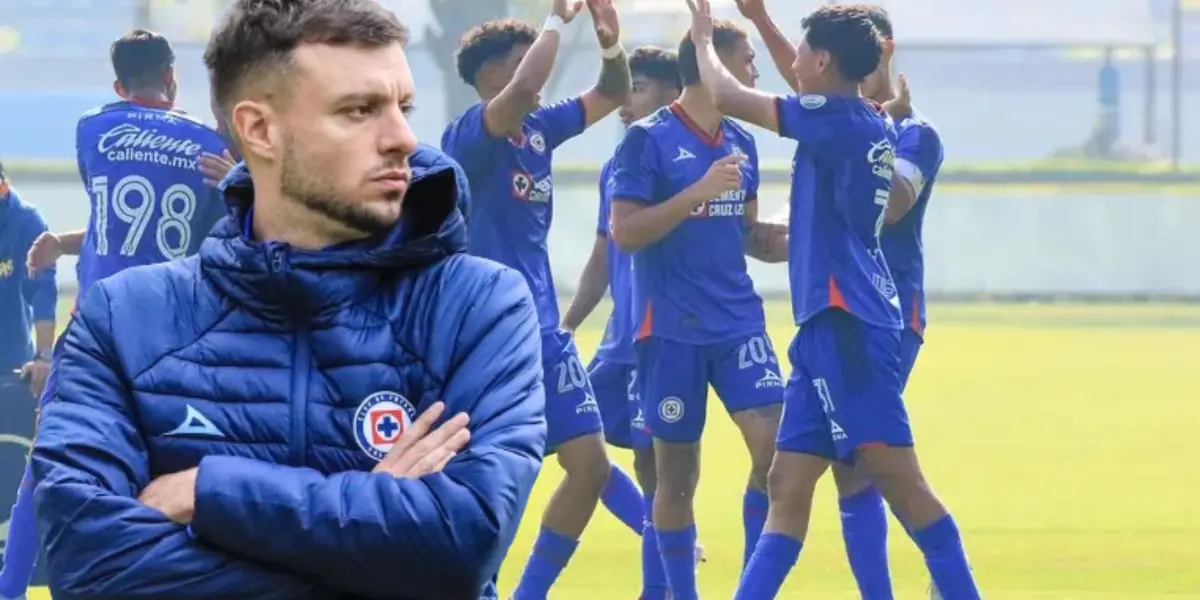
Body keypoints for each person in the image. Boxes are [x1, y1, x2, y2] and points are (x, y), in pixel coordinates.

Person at [30, 2, 546, 599]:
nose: (403, 138)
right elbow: (89, 566)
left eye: (402, 107)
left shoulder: (478, 305)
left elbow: (463, 543)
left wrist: (209, 492)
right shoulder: (123, 321)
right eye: (359, 110)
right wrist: (379, 536)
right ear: (258, 130)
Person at [684, 1, 981, 598]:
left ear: (823, 59)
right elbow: (802, 84)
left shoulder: (842, 119)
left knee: (898, 481)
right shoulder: (858, 117)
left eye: (803, 54)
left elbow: (727, 95)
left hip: (851, 323)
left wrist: (701, 37)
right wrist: (762, 18)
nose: (793, 66)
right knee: (787, 485)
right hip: (827, 325)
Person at [440, 1, 638, 597]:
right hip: (485, 334)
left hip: (542, 328)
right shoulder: (472, 131)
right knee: (491, 475)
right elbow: (527, 84)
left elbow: (614, 90)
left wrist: (608, 43)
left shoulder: (540, 128)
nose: (536, 70)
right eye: (520, 59)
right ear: (490, 74)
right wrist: (559, 20)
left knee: (590, 465)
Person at [606, 16, 786, 599]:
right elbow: (626, 232)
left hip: (738, 323)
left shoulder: (743, 141)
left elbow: (749, 234)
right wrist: (694, 194)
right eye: (747, 57)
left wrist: (801, 239)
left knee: (777, 460)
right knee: (676, 479)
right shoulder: (648, 139)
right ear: (710, 64)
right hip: (671, 331)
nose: (755, 70)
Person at [559, 45, 685, 600]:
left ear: (672, 91)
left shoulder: (691, 158)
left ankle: (661, 587)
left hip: (663, 339)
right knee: (573, 443)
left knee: (658, 468)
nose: (624, 102)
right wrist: (565, 328)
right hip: (617, 343)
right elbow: (603, 259)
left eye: (636, 88)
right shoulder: (619, 162)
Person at [25, 29, 234, 299]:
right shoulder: (211, 148)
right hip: (168, 314)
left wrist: (61, 243)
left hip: (100, 311)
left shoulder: (93, 129)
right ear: (170, 76)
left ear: (119, 88)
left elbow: (121, 225)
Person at [0, 160, 56, 600]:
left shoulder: (26, 221)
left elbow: (43, 290)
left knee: (18, 474)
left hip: (11, 365)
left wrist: (42, 355)